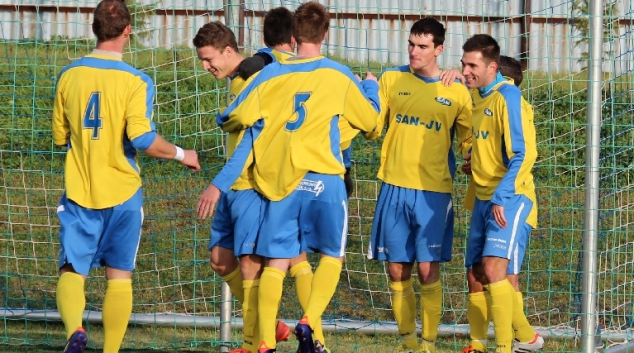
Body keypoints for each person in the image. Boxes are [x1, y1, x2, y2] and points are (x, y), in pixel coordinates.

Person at [197, 2, 381, 353]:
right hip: (325, 179)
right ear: (325, 34)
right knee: (330, 256)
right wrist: (370, 89)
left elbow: (232, 116)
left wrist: (256, 121)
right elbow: (371, 124)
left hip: (285, 183)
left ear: (294, 36)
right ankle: (310, 322)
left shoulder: (270, 75)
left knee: (277, 263)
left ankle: (264, 342)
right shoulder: (338, 75)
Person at [52, 1, 200, 353]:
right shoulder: (137, 80)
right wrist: (183, 154)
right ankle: (111, 350)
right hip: (124, 194)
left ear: (94, 28)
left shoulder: (68, 75)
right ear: (127, 31)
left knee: (72, 271)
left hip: (80, 190)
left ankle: (76, 331)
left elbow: (60, 137)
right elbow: (144, 139)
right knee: (119, 277)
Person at [193, 15, 316, 352]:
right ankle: (269, 324)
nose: (205, 66)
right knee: (220, 260)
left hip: (253, 184)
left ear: (229, 50)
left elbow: (251, 138)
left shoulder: (258, 76)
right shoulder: (247, 72)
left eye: (208, 59)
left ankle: (254, 341)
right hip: (236, 185)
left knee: (257, 265)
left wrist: (217, 184)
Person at [365, 17, 472, 353]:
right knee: (397, 270)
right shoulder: (391, 79)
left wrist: (474, 158)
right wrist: (365, 91)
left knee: (428, 270)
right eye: (411, 44)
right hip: (393, 186)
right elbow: (372, 128)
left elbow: (468, 140)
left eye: (423, 46)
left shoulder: (456, 90)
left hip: (433, 192)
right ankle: (408, 342)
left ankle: (428, 343)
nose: (414, 51)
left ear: (439, 49)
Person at [461, 34, 539, 353]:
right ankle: (479, 345)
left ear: (492, 67)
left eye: (471, 65)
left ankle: (506, 347)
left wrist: (501, 196)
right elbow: (479, 142)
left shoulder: (507, 96)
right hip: (481, 198)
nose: (465, 70)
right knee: (475, 273)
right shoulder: (477, 97)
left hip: (509, 198)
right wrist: (471, 159)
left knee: (497, 270)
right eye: (463, 64)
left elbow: (523, 154)